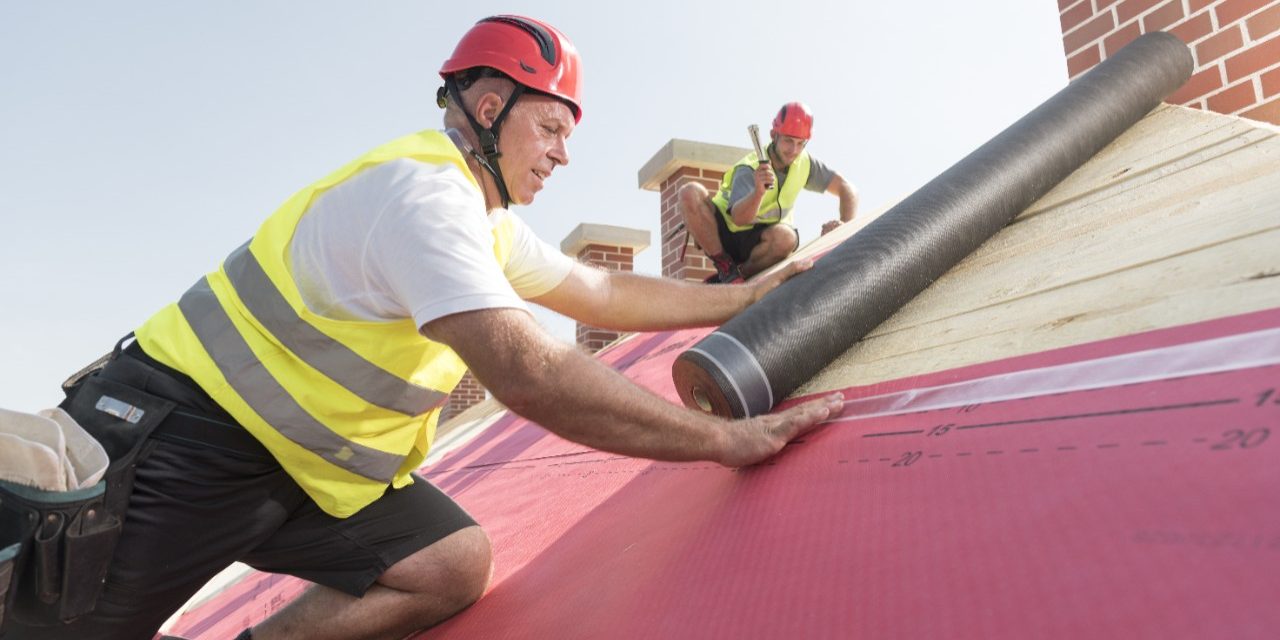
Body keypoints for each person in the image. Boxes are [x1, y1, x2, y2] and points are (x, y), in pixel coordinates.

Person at [9, 15, 843, 640]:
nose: (561, 153)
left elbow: (597, 290)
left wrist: (745, 299)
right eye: (550, 127)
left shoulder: (483, 220)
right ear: (490, 105)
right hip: (183, 448)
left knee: (448, 565)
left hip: (304, 481)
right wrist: (725, 443)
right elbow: (533, 375)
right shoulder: (424, 199)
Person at [677, 102, 859, 283]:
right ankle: (725, 268)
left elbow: (847, 189)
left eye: (800, 143)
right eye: (788, 140)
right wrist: (758, 192)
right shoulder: (749, 167)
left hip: (761, 242)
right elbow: (739, 219)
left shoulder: (804, 163)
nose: (793, 150)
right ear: (774, 135)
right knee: (689, 192)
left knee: (786, 238)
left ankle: (738, 276)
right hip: (725, 234)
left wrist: (844, 229)